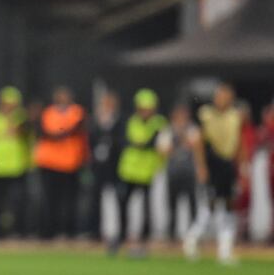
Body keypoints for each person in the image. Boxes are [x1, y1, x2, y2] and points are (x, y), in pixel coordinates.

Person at [184, 83, 242, 264]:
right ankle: (192, 239)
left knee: (229, 206)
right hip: (212, 164)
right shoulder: (205, 114)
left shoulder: (236, 116)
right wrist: (201, 167)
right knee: (209, 206)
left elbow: (239, 143)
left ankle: (225, 249)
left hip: (228, 165)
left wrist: (242, 167)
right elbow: (198, 143)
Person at [110, 89, 167, 257]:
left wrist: (140, 144)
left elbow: (153, 143)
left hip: (147, 171)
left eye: (148, 108)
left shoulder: (159, 123)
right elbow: (122, 141)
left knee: (146, 208)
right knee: (123, 205)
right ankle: (121, 238)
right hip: (128, 170)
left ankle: (143, 239)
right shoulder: (129, 121)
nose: (145, 112)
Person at [33, 86, 88, 239]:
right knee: (50, 199)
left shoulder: (77, 112)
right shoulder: (48, 112)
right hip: (49, 162)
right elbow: (44, 131)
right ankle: (48, 232)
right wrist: (58, 135)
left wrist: (58, 134)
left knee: (70, 200)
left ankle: (70, 232)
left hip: (70, 163)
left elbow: (73, 129)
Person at [0, 87, 30, 238]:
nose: (7, 106)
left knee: (18, 201)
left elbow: (23, 134)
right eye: (5, 103)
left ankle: (19, 231)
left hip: (16, 166)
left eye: (10, 103)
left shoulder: (21, 118)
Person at [157, 103, 203, 241]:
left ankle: (194, 233)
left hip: (189, 172)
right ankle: (172, 234)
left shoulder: (193, 129)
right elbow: (162, 151)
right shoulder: (167, 130)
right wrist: (179, 143)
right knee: (172, 204)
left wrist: (201, 168)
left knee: (192, 203)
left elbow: (197, 148)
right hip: (173, 172)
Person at [85, 90, 122, 241]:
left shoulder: (119, 121)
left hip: (114, 166)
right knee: (96, 199)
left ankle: (118, 231)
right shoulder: (95, 122)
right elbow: (90, 140)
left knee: (116, 199)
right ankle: (96, 232)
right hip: (98, 167)